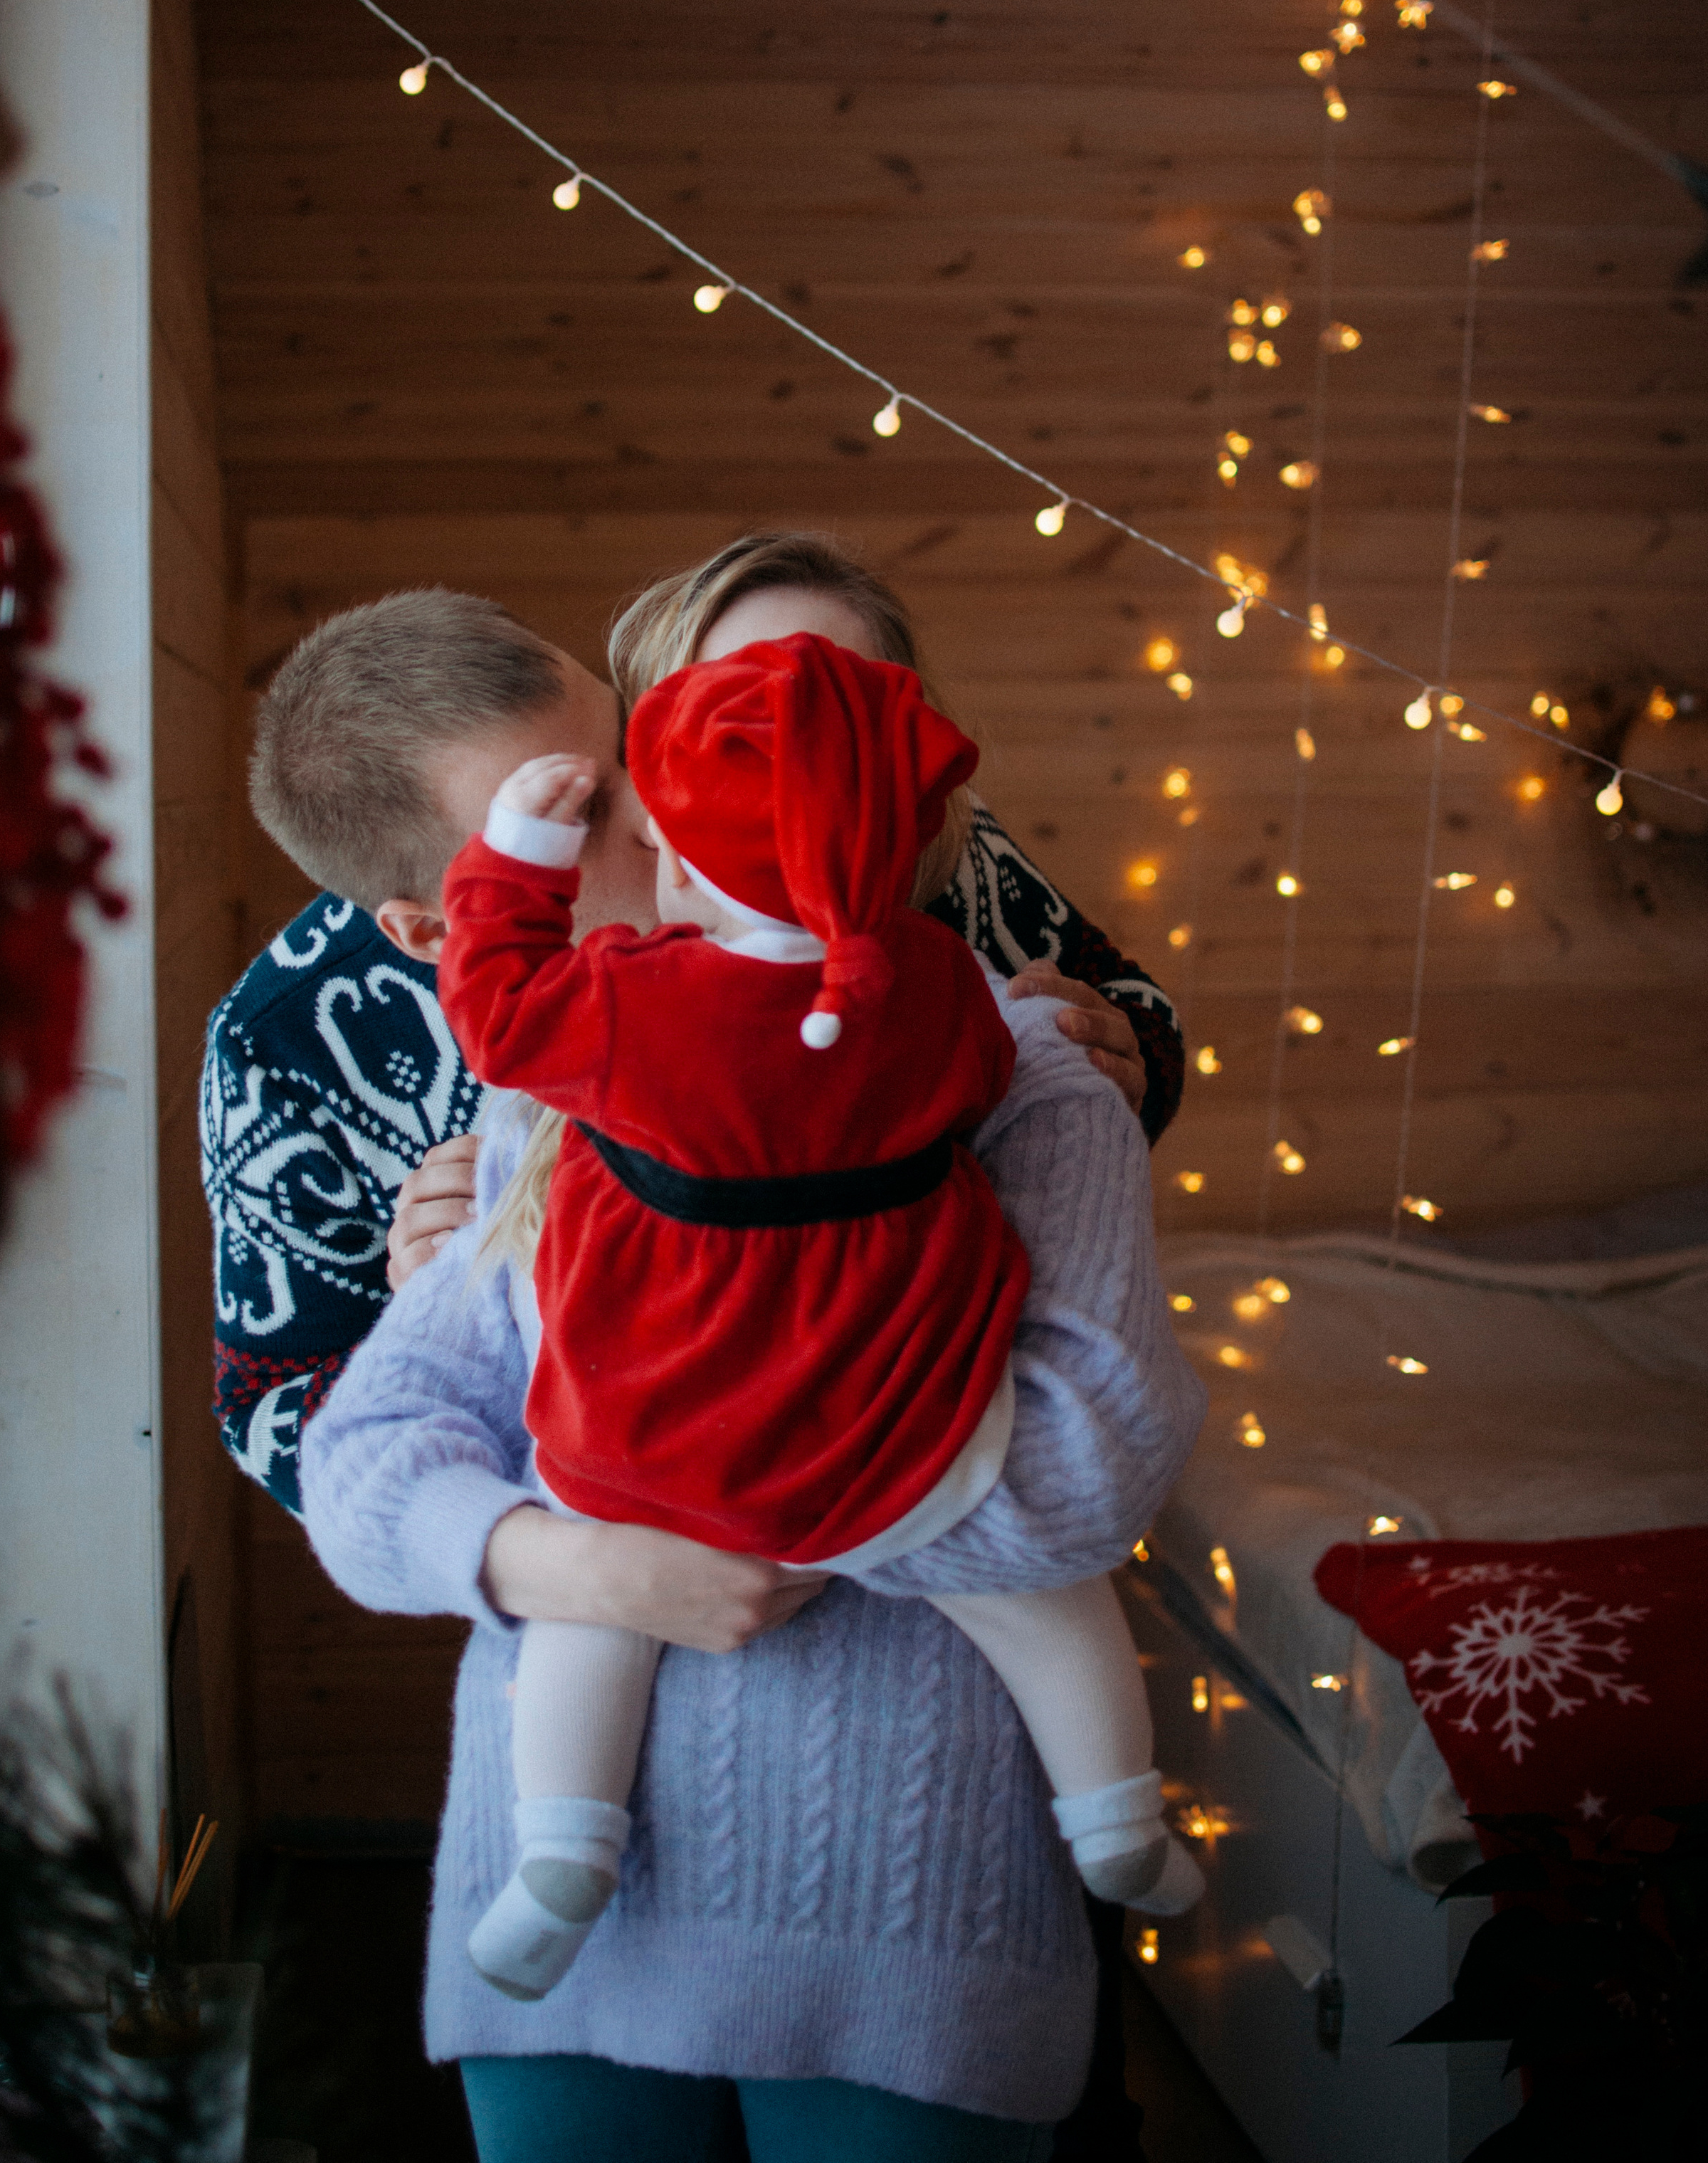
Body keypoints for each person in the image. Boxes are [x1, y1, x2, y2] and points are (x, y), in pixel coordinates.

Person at [436, 632, 1205, 2006]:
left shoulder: (626, 1005)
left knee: (590, 1620)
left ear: (675, 861)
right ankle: (1121, 1819)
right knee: (1044, 1599)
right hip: (897, 1429)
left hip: (665, 1440)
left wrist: (510, 862)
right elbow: (968, 1081)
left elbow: (496, 1020)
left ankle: (559, 1853)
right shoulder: (942, 989)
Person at [203, 541, 1184, 1515]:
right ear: (433, 929)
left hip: (929, 1466)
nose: (655, 812)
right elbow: (272, 1412)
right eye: (570, 816)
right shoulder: (281, 1050)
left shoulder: (842, 834)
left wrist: (1117, 1057)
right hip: (613, 1546)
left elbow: (1136, 1021)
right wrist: (435, 1309)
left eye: (629, 740)